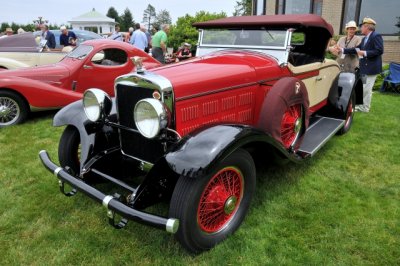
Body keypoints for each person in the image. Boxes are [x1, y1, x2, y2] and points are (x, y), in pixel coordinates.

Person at [337, 17, 384, 113]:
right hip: (365, 67)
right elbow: (356, 49)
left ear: (367, 27)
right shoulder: (365, 38)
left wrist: (365, 53)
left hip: (371, 68)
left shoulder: (376, 36)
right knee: (364, 88)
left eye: (362, 26)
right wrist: (342, 50)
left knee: (367, 89)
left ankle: (365, 108)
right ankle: (363, 106)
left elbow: (379, 50)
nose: (360, 29)